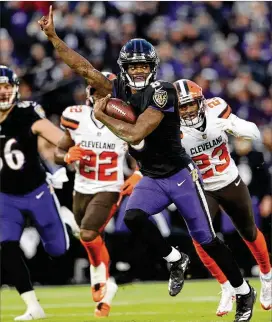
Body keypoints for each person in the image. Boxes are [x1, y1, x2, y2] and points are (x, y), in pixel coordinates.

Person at [38, 9, 256, 321]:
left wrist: (102, 117)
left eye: (143, 65)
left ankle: (243, 292)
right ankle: (175, 258)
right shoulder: (117, 90)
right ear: (124, 68)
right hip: (152, 176)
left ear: (152, 67)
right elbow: (83, 68)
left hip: (180, 174)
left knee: (207, 240)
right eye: (133, 66)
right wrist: (53, 37)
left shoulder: (163, 91)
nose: (139, 71)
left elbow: (137, 131)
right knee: (134, 217)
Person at [174, 78, 271, 315]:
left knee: (248, 231)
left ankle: (267, 277)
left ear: (201, 102)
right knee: (200, 239)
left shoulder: (217, 108)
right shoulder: (170, 127)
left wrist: (232, 127)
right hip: (202, 187)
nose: (186, 110)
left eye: (190, 104)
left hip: (229, 181)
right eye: (182, 106)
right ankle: (226, 285)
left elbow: (254, 132)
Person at [54, 71, 142, 317]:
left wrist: (137, 175)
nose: (100, 96)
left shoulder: (125, 122)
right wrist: (67, 156)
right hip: (81, 188)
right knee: (89, 236)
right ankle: (109, 288)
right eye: (96, 91)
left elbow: (146, 156)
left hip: (110, 188)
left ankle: (98, 274)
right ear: (89, 93)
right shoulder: (75, 117)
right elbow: (58, 152)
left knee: (88, 233)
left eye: (106, 92)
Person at [0, 65, 69, 321]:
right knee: (5, 245)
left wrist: (69, 152)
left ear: (15, 89)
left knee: (58, 250)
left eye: (7, 87)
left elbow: (56, 136)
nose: (4, 92)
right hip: (6, 196)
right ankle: (32, 305)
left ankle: (66, 222)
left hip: (37, 191)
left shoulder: (25, 113)